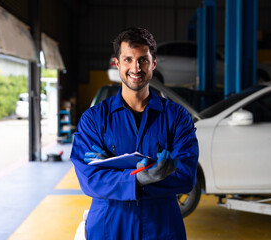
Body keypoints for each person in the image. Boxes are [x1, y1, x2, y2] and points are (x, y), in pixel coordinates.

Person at [70, 27, 199, 240]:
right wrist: (141, 177)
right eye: (128, 59)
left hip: (161, 227)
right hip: (109, 227)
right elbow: (90, 179)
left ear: (153, 63)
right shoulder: (94, 119)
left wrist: (114, 167)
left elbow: (185, 177)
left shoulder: (176, 117)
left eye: (143, 60)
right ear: (117, 63)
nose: (135, 68)